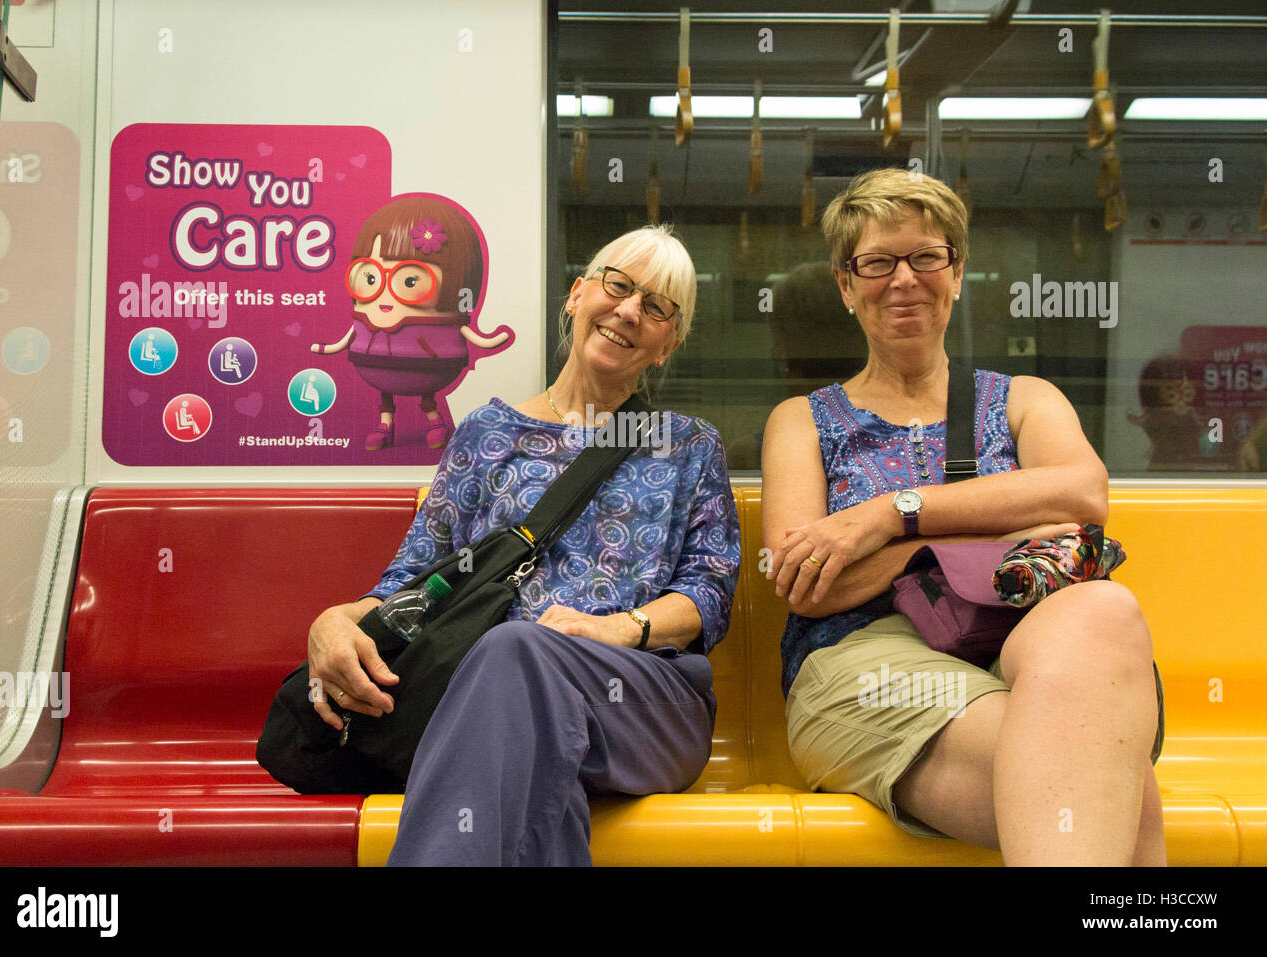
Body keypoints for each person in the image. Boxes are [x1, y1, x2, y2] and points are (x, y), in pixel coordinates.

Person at [761, 167, 1165, 866]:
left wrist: (892, 516)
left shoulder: (1023, 397)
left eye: (926, 256)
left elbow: (1082, 495)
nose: (904, 279)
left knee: (1106, 607)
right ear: (846, 284)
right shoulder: (802, 422)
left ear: (956, 271)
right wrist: (1002, 522)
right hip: (862, 660)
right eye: (878, 263)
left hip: (1014, 640)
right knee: (1115, 790)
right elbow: (810, 582)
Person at [306, 224, 740, 866]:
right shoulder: (486, 432)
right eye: (616, 286)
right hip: (500, 705)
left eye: (655, 307)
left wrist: (620, 629)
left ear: (666, 344)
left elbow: (710, 593)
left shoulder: (687, 444)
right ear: (576, 295)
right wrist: (328, 624)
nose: (627, 311)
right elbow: (414, 578)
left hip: (646, 701)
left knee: (516, 656)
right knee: (528, 740)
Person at [311, 194, 512, 451]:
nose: (384, 295)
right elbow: (347, 337)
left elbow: (471, 333)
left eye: (408, 281)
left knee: (426, 395)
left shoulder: (452, 310)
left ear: (455, 282)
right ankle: (385, 426)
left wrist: (489, 340)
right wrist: (328, 347)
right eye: (370, 278)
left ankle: (434, 422)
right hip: (374, 361)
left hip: (430, 361)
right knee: (386, 395)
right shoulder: (365, 322)